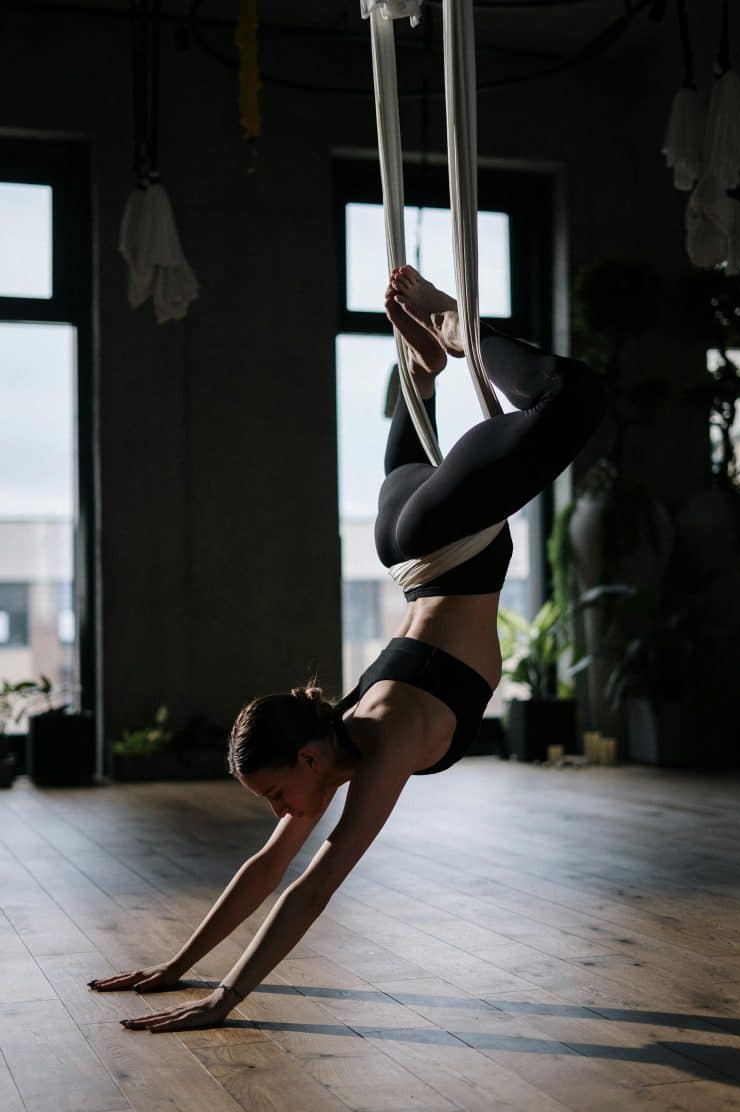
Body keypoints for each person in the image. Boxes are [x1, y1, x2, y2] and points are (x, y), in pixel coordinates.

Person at [88, 265, 606, 1032]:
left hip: (446, 541)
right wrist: (175, 969)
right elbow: (266, 868)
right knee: (420, 451)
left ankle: (457, 330)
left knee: (577, 399)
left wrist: (225, 1000)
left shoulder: (384, 732)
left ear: (305, 761)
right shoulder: (335, 740)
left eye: (274, 795)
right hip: (401, 531)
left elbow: (313, 886)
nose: (280, 811)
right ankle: (421, 376)